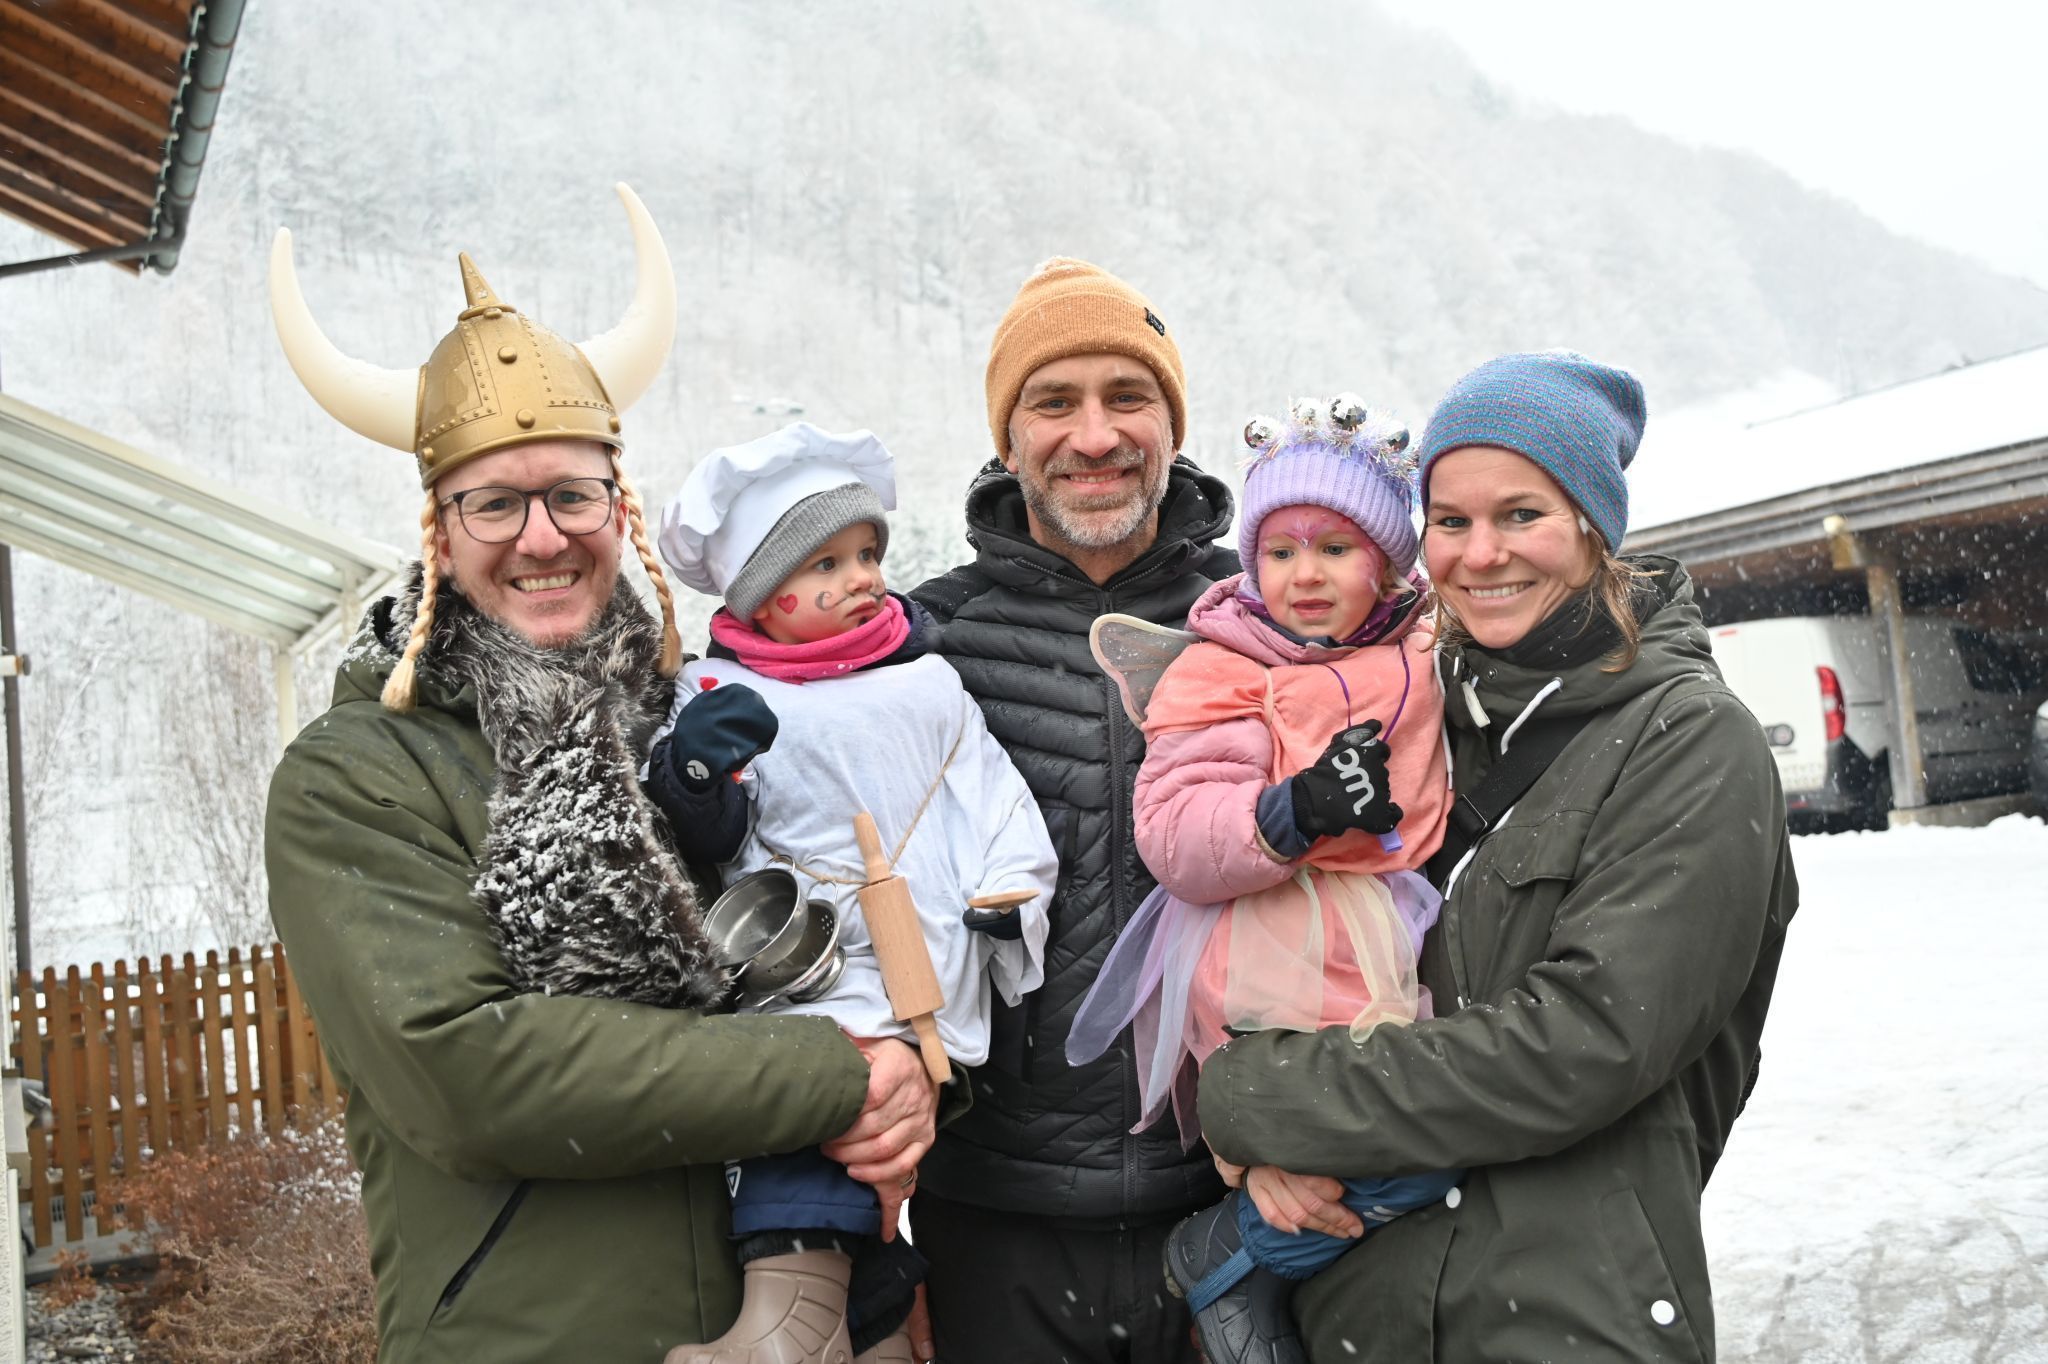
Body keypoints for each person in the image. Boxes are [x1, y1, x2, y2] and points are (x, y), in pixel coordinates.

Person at [262, 186, 936, 1364]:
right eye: (495, 502)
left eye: (572, 493)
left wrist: (912, 1083)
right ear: (438, 527)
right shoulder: (356, 774)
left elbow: (858, 916)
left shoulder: (702, 723)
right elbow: (471, 1073)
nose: (541, 535)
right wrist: (830, 1074)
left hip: (795, 1322)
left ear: (616, 508)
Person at [1193, 351, 1798, 1362]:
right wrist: (1264, 1155)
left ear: (1593, 528)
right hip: (1367, 1312)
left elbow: (1581, 1044)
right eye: (1450, 520)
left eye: (1521, 514)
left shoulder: (1688, 741)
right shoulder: (1416, 721)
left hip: (1564, 1315)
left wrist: (1263, 1097)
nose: (1480, 553)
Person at [648, 423, 1057, 1364]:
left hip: (920, 945)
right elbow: (704, 841)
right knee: (814, 1116)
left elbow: (992, 796)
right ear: (763, 592)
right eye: (824, 563)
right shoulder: (719, 690)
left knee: (884, 1132)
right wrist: (702, 773)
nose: (862, 576)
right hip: (801, 957)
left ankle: (839, 1323)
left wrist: (1007, 891)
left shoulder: (929, 684)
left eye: (867, 552)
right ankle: (802, 1318)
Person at [1069, 397, 1463, 1364]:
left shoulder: (1419, 658)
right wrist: (1292, 811)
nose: (1305, 575)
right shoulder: (1224, 670)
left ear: (1385, 562)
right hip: (1261, 933)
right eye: (1280, 553)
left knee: (1427, 1142)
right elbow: (1173, 832)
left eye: (1335, 549)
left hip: (1384, 925)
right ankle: (1238, 1251)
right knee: (1343, 1128)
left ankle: (1249, 1256)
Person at [910, 258, 1237, 1363]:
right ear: (1007, 439)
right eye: (1053, 401)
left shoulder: (1265, 624)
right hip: (995, 1223)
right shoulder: (920, 650)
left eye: (1126, 396)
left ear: (1170, 424)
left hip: (1240, 1207)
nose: (1093, 435)